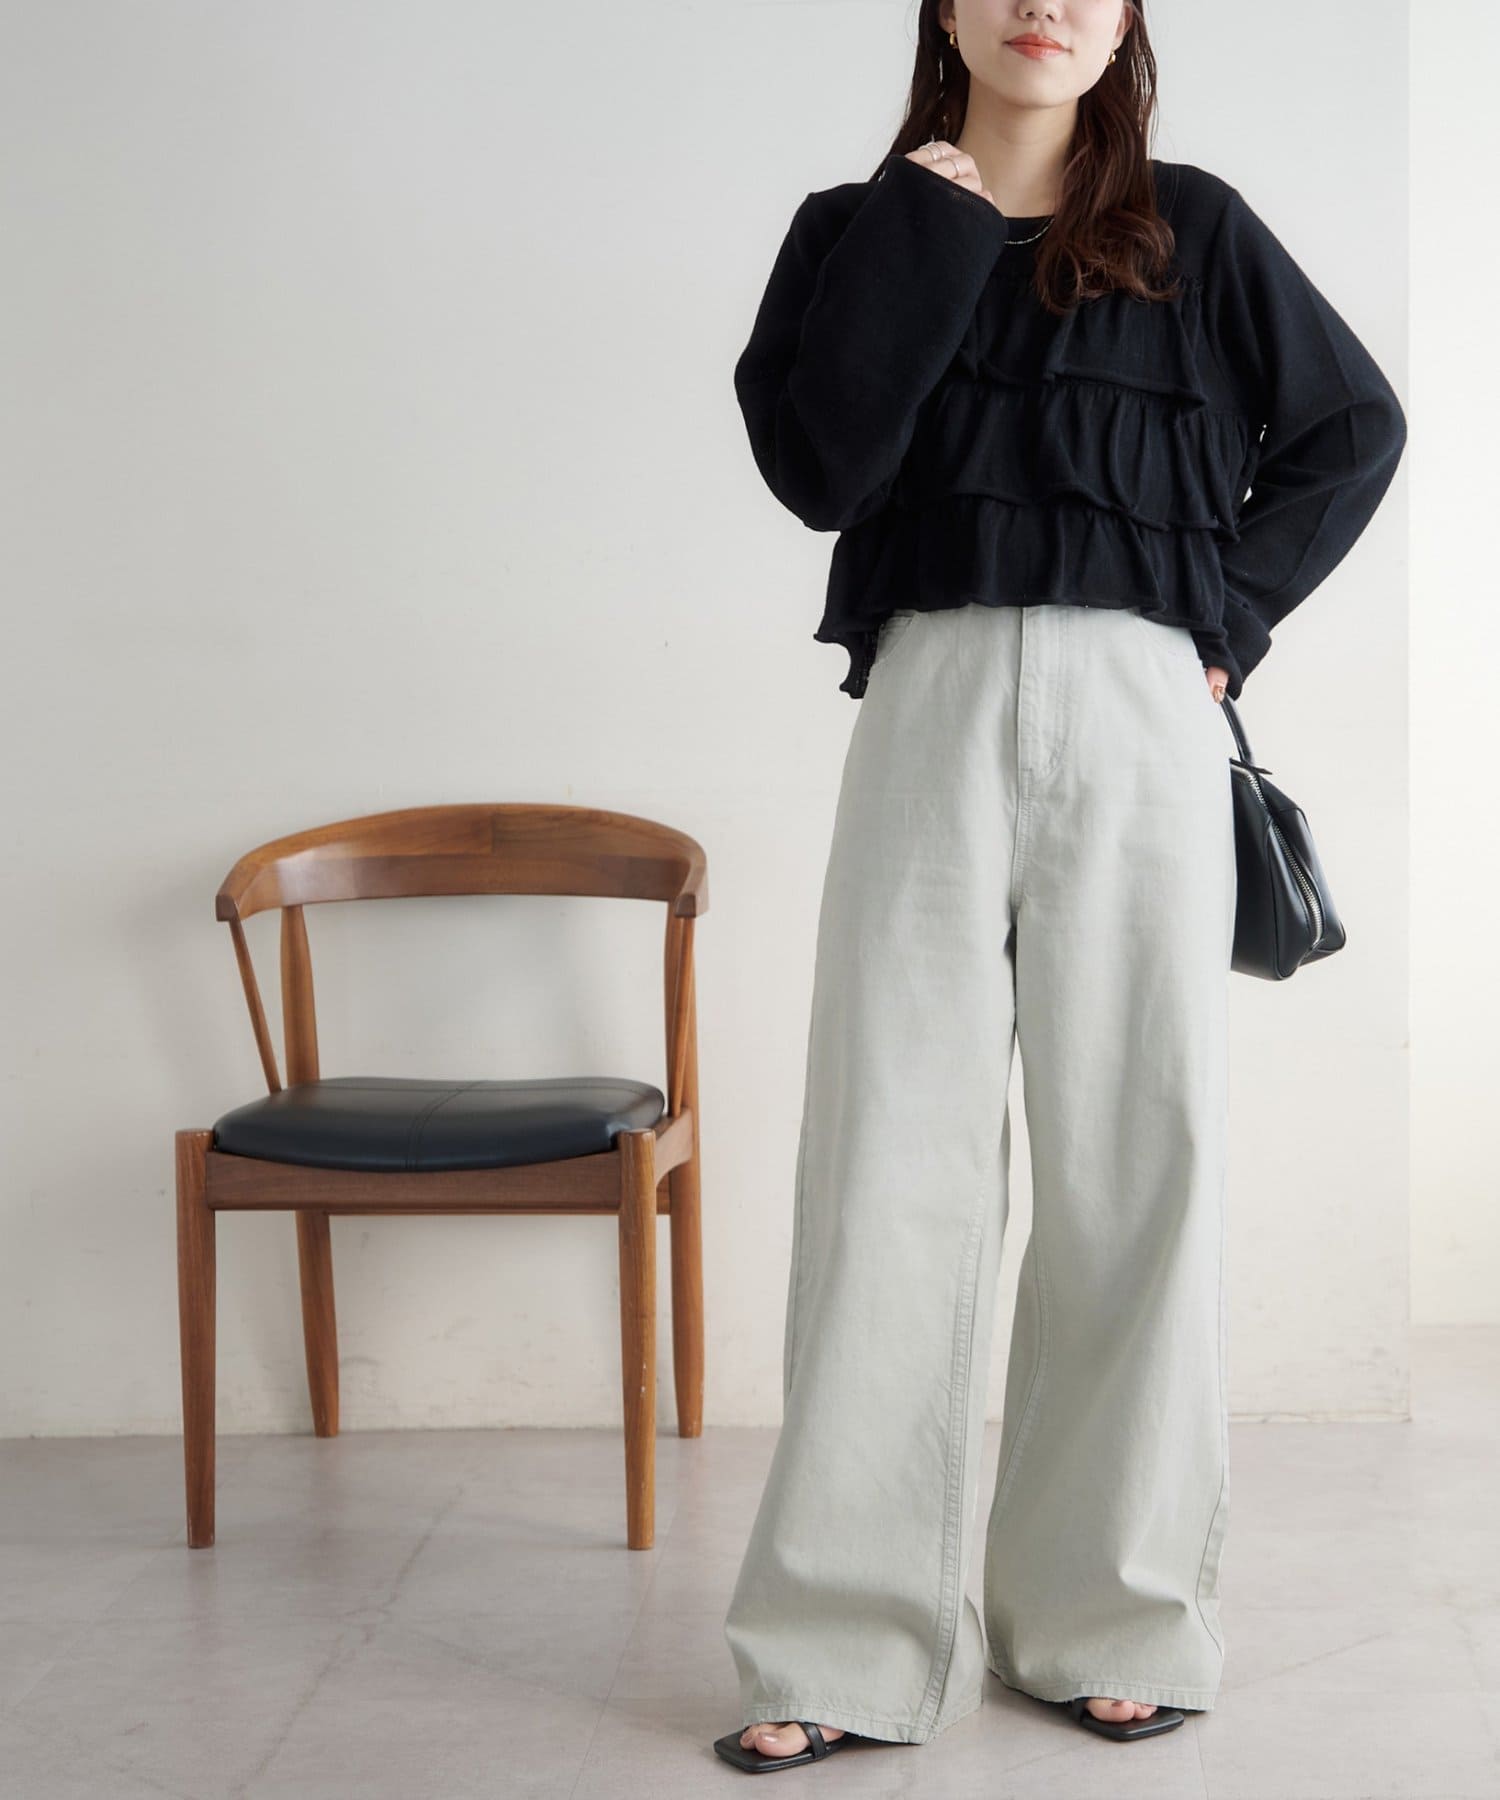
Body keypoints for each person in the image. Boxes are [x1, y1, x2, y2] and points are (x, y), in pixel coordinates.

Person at [714, 0, 1406, 1774]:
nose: (1048, 2)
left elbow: (1353, 428)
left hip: (1140, 710)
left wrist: (1224, 622)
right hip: (930, 698)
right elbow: (820, 470)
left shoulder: (1199, 227)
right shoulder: (852, 229)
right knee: (887, 1164)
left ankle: (1114, 1613)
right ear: (947, 6)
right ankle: (841, 1644)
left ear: (1125, 21)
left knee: (1135, 1162)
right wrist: (928, 224)